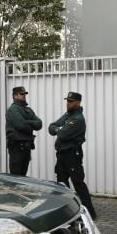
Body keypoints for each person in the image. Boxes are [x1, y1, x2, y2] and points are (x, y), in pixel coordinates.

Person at [48, 92, 97, 220]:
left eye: (70, 101)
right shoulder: (68, 115)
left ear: (77, 103)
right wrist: (60, 128)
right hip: (62, 155)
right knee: (62, 184)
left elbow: (62, 134)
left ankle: (90, 212)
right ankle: (66, 211)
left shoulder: (77, 119)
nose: (68, 103)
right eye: (67, 101)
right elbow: (51, 127)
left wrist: (59, 129)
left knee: (78, 183)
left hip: (72, 155)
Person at [5, 86, 42, 175]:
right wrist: (31, 124)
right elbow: (21, 125)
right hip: (17, 147)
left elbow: (39, 124)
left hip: (26, 147)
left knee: (23, 176)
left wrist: (27, 122)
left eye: (25, 94)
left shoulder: (28, 110)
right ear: (15, 96)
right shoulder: (12, 110)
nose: (24, 95)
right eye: (22, 94)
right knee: (16, 176)